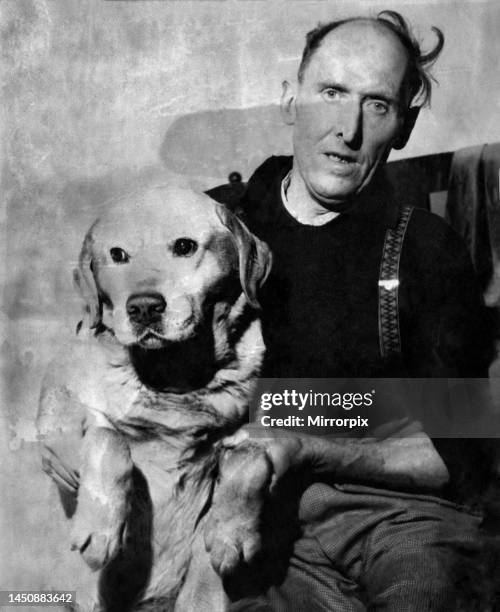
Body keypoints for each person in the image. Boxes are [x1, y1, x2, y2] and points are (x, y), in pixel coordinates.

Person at [208, 11, 498, 611]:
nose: (348, 129)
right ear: (291, 99)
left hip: (397, 519)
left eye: (378, 104)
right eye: (332, 92)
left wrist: (308, 445)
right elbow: (107, 338)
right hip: (253, 515)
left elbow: (461, 456)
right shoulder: (215, 227)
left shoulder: (426, 251)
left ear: (404, 127)